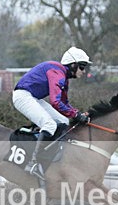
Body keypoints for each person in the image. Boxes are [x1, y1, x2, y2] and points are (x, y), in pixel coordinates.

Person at [12, 46, 92, 179]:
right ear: (73, 65)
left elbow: (64, 103)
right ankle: (33, 163)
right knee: (49, 124)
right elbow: (56, 102)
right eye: (82, 67)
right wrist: (76, 115)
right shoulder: (57, 72)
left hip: (33, 97)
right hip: (22, 96)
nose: (83, 71)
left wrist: (78, 114)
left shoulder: (63, 76)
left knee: (63, 121)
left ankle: (50, 156)